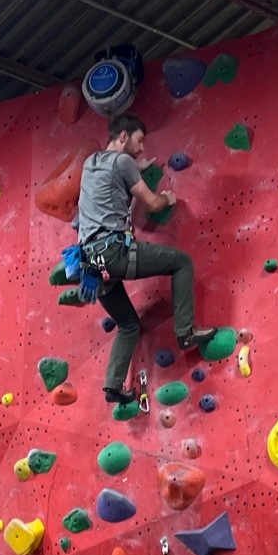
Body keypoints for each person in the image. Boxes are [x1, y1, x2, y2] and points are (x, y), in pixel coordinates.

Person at [75, 113, 218, 406]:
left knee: (129, 325)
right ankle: (186, 331)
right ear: (123, 136)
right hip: (113, 252)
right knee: (181, 262)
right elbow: (151, 203)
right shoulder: (123, 162)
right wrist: (168, 198)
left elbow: (109, 191)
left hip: (90, 264)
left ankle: (114, 385)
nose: (142, 148)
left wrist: (134, 170)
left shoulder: (90, 163)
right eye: (139, 140)